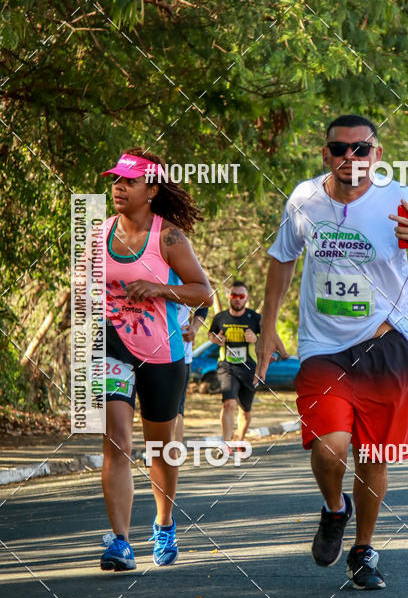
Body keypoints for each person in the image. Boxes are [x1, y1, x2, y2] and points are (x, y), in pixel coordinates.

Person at [256, 114, 408, 590]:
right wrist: (267, 328)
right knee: (331, 448)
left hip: (385, 342)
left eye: (361, 149)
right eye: (340, 149)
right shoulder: (304, 199)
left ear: (377, 156)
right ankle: (334, 509)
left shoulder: (401, 201)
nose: (351, 158)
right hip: (322, 346)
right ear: (325, 154)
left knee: (374, 453)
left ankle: (363, 550)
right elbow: (282, 261)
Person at [97, 148, 213, 571]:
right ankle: (120, 542)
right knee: (117, 442)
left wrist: (160, 289)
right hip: (113, 345)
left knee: (161, 449)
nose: (118, 187)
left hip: (163, 352)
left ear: (152, 189)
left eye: (128, 181)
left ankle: (164, 523)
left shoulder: (169, 238)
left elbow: (203, 291)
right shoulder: (100, 234)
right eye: (115, 180)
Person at [209, 282, 286, 443]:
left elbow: (267, 341)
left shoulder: (255, 318)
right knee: (228, 403)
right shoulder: (220, 318)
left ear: (246, 298)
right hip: (226, 367)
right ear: (229, 297)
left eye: (241, 296)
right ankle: (227, 443)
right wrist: (215, 339)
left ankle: (239, 440)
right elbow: (211, 334)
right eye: (234, 296)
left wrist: (256, 338)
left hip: (249, 368)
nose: (237, 299)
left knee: (245, 411)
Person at [174, 304, 209, 444]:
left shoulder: (188, 281)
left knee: (176, 408)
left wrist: (194, 327)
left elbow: (205, 301)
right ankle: (154, 454)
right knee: (152, 408)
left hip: (181, 354)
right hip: (151, 352)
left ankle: (173, 455)